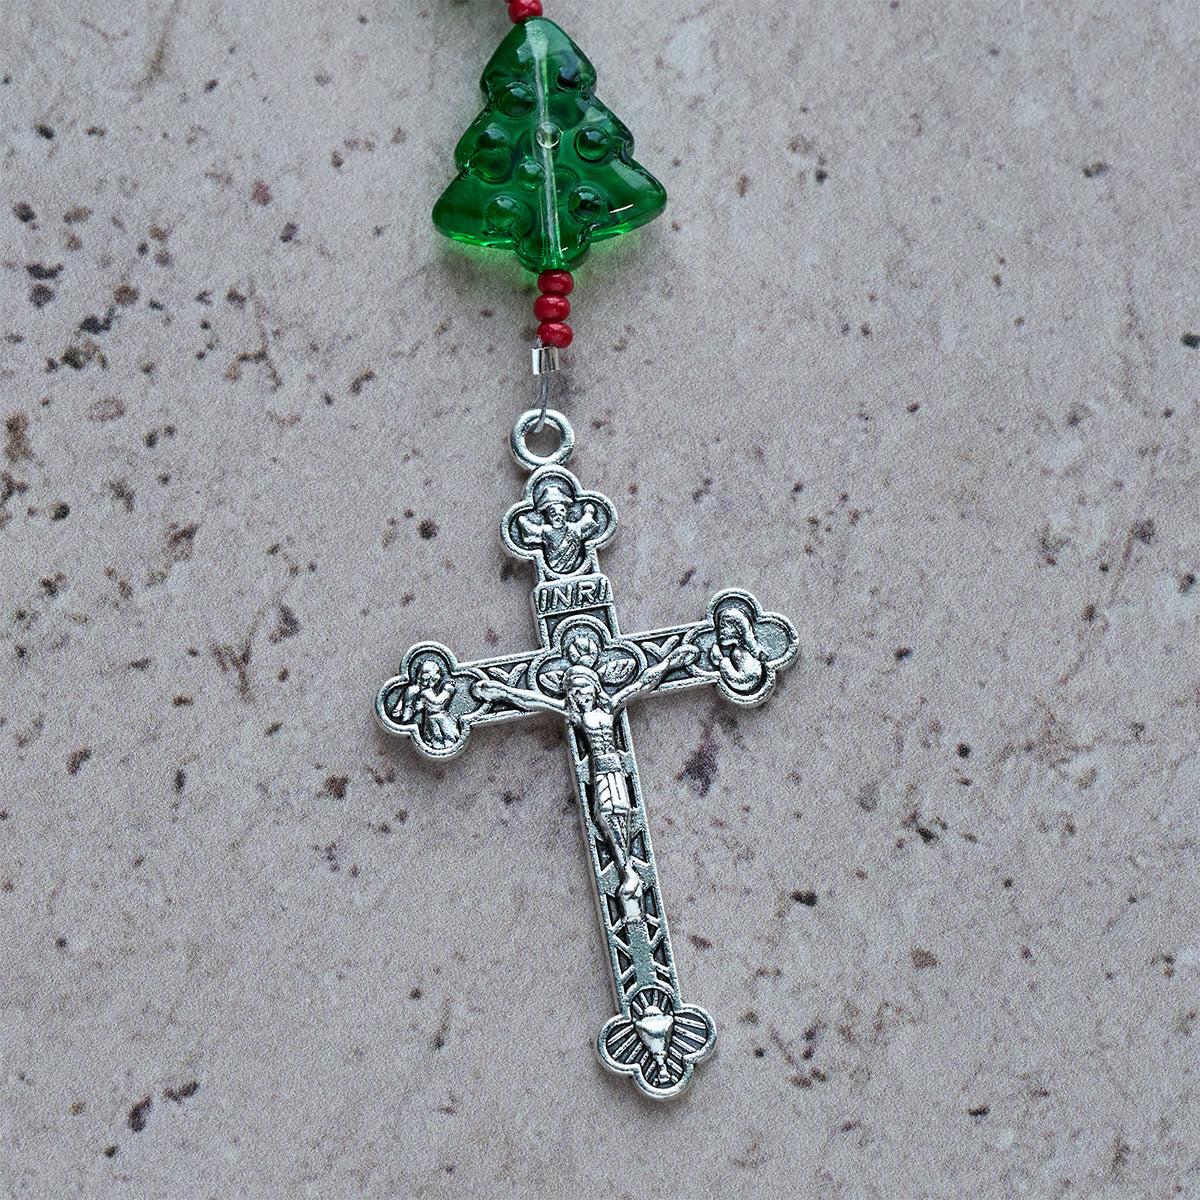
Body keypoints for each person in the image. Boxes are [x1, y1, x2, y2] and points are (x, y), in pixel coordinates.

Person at [472, 642, 698, 918]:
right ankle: (627, 871)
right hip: (599, 770)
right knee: (604, 814)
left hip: (616, 770)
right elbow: (532, 700)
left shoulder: (610, 706)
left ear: (595, 687)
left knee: (622, 812)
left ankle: (628, 873)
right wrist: (501, 691)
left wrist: (672, 661)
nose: (579, 695)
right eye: (574, 691)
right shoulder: (574, 715)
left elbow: (643, 683)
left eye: (583, 688)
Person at [514, 475, 602, 574]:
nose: (558, 515)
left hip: (576, 565)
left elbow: (585, 523)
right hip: (554, 567)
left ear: (567, 512)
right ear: (547, 515)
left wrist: (588, 513)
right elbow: (531, 531)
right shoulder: (546, 530)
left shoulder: (573, 528)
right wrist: (524, 522)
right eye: (553, 512)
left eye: (562, 511)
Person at [392, 657, 459, 750]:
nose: (439, 677)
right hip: (433, 720)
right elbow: (437, 702)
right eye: (437, 673)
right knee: (437, 739)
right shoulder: (425, 691)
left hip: (442, 718)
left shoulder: (429, 690)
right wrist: (446, 691)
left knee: (448, 738)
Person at [709, 601, 768, 694]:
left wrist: (721, 661)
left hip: (744, 680)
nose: (721, 633)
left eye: (723, 627)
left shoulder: (744, 651)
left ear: (735, 629)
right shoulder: (741, 649)